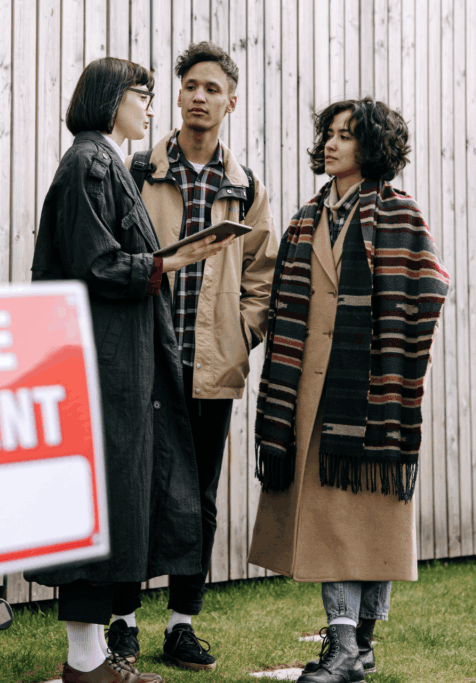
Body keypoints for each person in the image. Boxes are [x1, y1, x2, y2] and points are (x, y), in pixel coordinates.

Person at [27, 57, 236, 683]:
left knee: (104, 503)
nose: (152, 107)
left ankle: (88, 659)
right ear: (112, 99)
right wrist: (170, 263)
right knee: (96, 502)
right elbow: (97, 264)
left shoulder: (101, 162)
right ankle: (87, 662)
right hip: (102, 362)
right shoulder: (92, 163)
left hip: (112, 360)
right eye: (142, 95)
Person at [248, 98, 450, 683]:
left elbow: (430, 288)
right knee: (333, 521)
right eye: (328, 135)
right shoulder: (305, 218)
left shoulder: (400, 214)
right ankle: (343, 646)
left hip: (373, 390)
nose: (332, 144)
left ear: (373, 146)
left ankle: (356, 648)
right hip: (309, 394)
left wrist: (390, 350)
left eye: (346, 136)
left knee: (372, 525)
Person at [105, 41, 279, 672]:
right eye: (190, 86)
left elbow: (263, 274)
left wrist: (243, 331)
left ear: (231, 101)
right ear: (178, 97)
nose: (199, 97)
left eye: (212, 88)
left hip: (211, 368)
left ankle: (181, 625)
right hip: (146, 362)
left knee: (197, 498)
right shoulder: (134, 171)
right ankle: (121, 622)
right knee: (133, 491)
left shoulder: (247, 186)